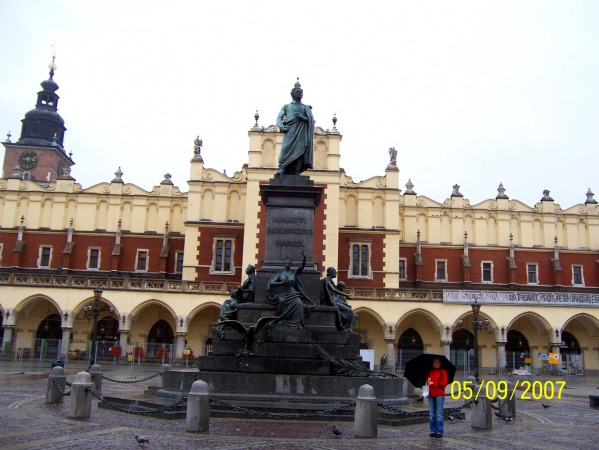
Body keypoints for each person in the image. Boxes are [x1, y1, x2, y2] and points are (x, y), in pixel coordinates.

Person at [267, 251, 315, 328]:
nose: (287, 265)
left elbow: (302, 267)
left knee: (299, 303)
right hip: (283, 293)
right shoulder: (280, 274)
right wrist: (282, 283)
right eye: (286, 263)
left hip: (293, 293)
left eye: (288, 263)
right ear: (284, 263)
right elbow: (272, 283)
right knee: (281, 301)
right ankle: (281, 319)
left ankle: (297, 323)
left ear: (290, 264)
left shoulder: (294, 273)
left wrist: (304, 257)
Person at [275, 78, 314, 175]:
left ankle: (297, 171)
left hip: (301, 133)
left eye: (301, 92)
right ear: (292, 94)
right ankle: (282, 168)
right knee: (285, 150)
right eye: (297, 91)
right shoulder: (286, 106)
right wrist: (282, 127)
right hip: (290, 132)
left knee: (300, 151)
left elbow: (311, 121)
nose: (300, 93)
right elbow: (279, 118)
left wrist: (302, 117)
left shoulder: (305, 107)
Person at [425, 357, 448, 438]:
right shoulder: (429, 372)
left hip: (440, 394)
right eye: (435, 362)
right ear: (432, 364)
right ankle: (433, 430)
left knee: (439, 414)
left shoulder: (443, 372)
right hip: (431, 394)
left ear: (440, 363)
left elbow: (444, 383)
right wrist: (427, 383)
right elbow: (426, 382)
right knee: (432, 414)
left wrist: (434, 383)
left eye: (438, 362)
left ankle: (439, 430)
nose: (436, 364)